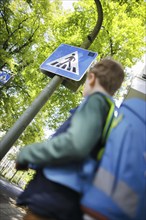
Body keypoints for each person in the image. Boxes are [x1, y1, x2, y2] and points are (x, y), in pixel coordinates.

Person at [15, 58, 124, 220]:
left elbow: (75, 145)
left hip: (54, 193)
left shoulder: (96, 101)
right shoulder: (111, 113)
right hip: (74, 197)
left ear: (92, 78)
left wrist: (27, 153)